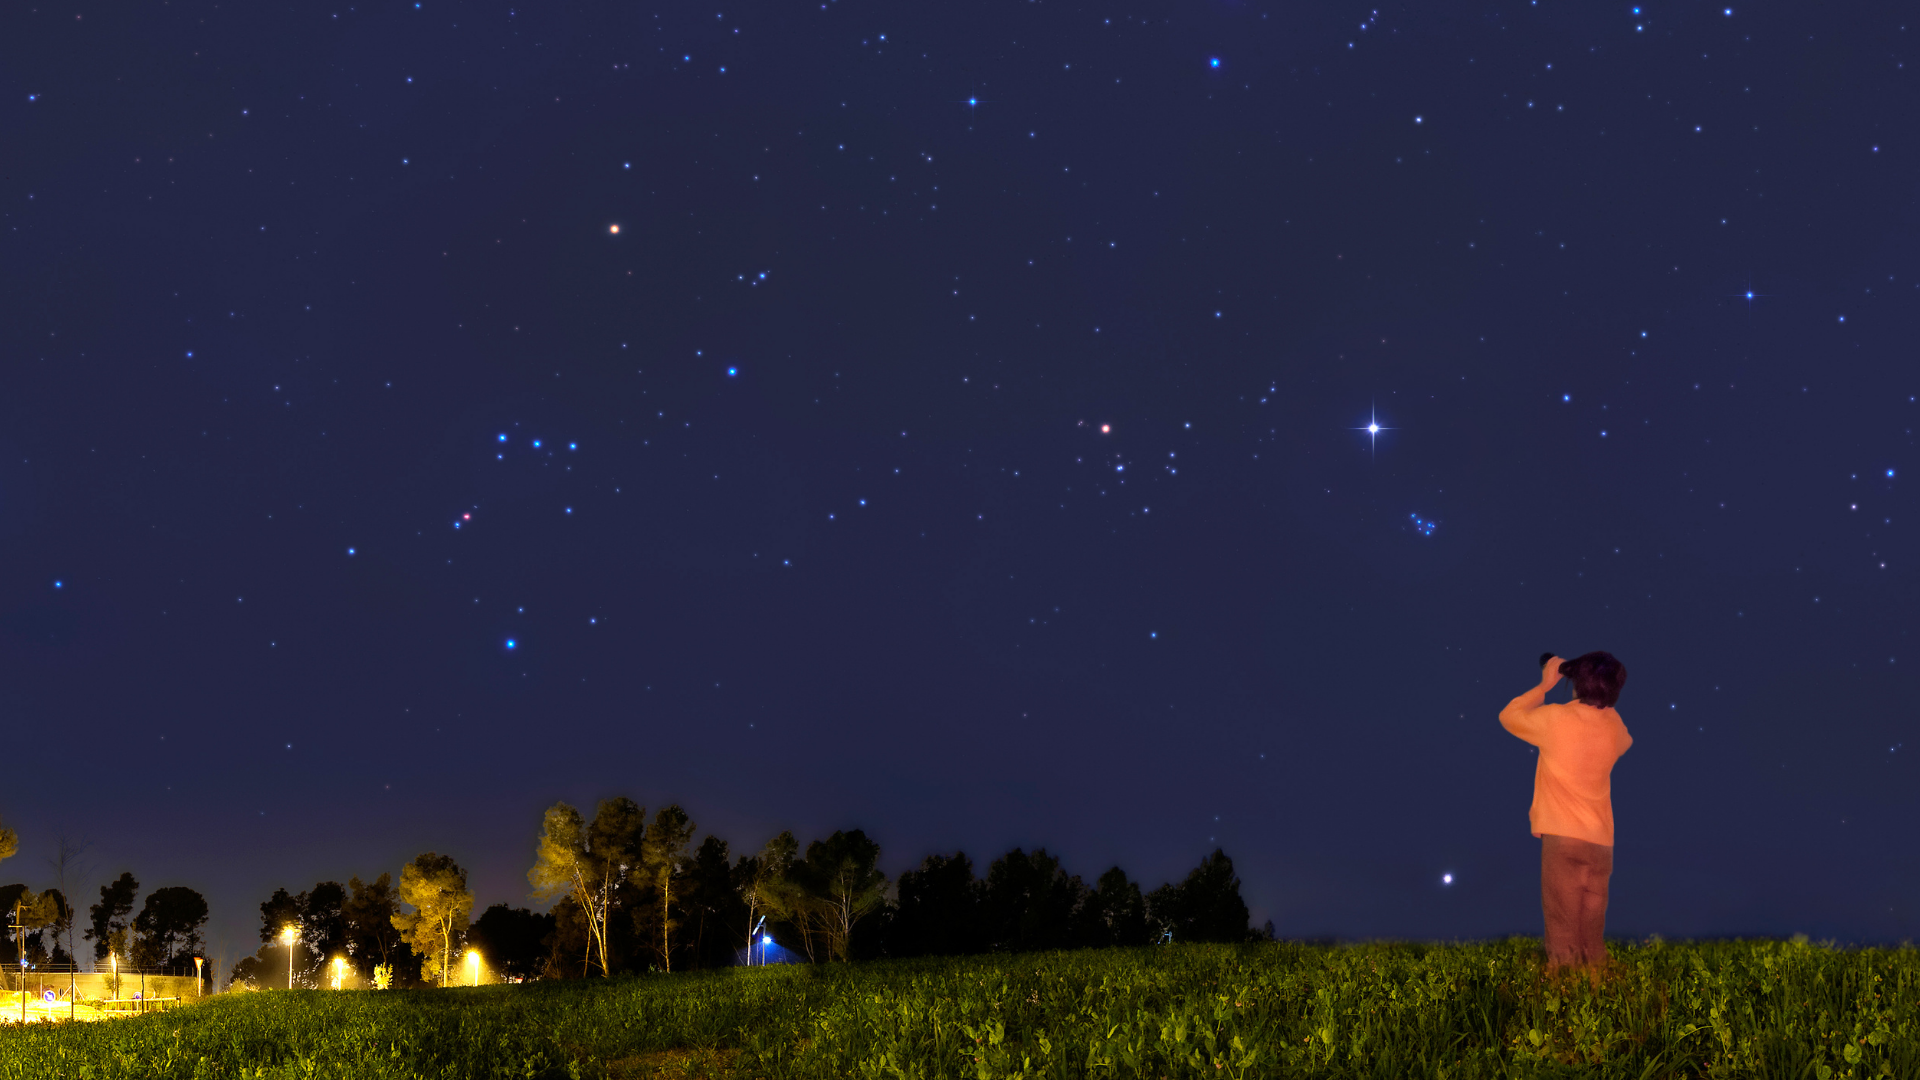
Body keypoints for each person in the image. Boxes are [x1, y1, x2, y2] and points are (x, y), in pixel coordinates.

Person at [1499, 652, 1632, 973]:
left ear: (1577, 683)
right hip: (1601, 845)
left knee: (1562, 924)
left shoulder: (1555, 719)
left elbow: (1509, 715)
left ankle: (1565, 993)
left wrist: (1546, 683)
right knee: (1591, 928)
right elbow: (1625, 741)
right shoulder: (1614, 727)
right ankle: (1598, 987)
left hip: (1564, 839)